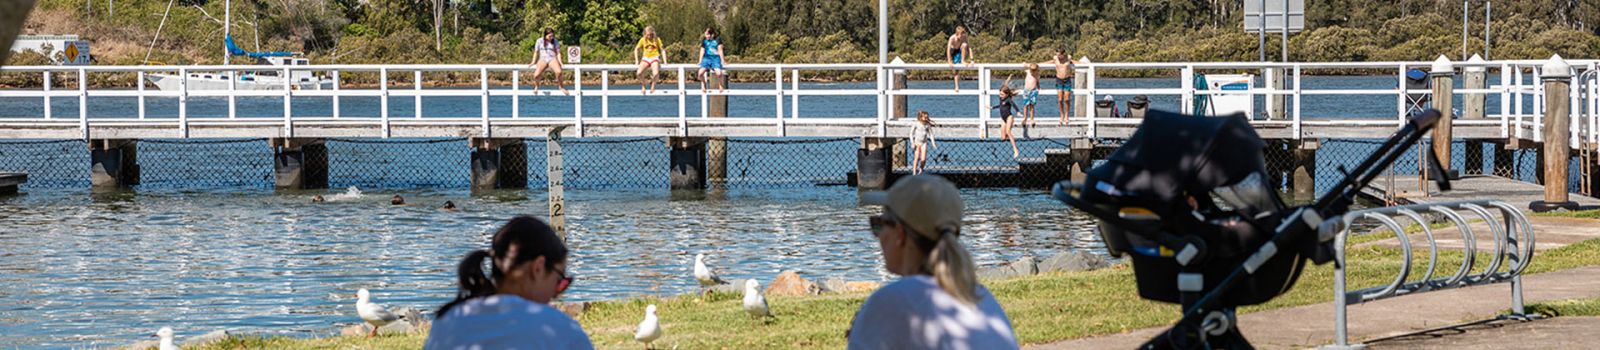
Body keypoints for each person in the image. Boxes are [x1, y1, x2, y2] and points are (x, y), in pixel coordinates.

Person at [850, 174, 1019, 350]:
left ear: (900, 234)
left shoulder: (890, 302)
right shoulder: (980, 297)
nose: (877, 235)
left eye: (878, 224)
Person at [424, 216, 591, 349]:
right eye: (559, 281)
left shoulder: (448, 322)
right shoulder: (561, 331)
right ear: (538, 267)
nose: (556, 293)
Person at [527, 28, 569, 95]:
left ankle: (561, 87)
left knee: (559, 72)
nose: (551, 38)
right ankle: (536, 86)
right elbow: (536, 52)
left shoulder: (555, 41)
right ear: (545, 35)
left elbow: (558, 53)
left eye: (552, 36)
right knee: (536, 75)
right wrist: (533, 61)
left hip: (552, 58)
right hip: (543, 59)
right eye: (549, 36)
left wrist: (560, 62)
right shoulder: (539, 41)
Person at [990, 78, 1021, 159]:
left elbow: (1014, 105)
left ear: (1007, 94)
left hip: (1009, 117)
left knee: (1008, 132)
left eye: (1002, 94)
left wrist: (1018, 111)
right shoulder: (1001, 99)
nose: (1001, 96)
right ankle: (1010, 138)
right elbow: (1000, 106)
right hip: (1003, 118)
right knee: (1003, 138)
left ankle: (1016, 150)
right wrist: (992, 107)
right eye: (1000, 94)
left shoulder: (1008, 99)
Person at [1048, 49, 1078, 125]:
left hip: (1067, 79)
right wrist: (1038, 64)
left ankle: (1067, 115)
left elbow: (1073, 62)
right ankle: (1062, 115)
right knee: (1060, 99)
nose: (1058, 56)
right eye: (1057, 55)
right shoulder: (1055, 58)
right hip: (1059, 80)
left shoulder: (1068, 58)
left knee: (1067, 99)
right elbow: (1051, 62)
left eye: (1059, 55)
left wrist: (1084, 64)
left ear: (1063, 54)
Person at [635, 26, 667, 94]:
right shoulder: (642, 40)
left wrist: (665, 61)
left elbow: (662, 50)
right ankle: (643, 85)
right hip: (646, 57)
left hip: (655, 57)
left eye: (651, 34)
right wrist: (637, 60)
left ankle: (653, 85)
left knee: (655, 73)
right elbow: (636, 49)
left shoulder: (657, 39)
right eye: (648, 35)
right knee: (639, 73)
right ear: (645, 34)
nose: (649, 36)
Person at [697, 27, 727, 93]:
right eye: (706, 34)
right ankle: (704, 84)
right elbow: (702, 50)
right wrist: (700, 60)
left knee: (719, 73)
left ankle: (720, 85)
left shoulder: (717, 40)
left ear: (712, 35)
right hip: (706, 58)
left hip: (715, 58)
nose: (706, 36)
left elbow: (720, 50)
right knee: (700, 73)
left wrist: (723, 60)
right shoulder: (704, 40)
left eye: (708, 34)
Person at [911, 111, 938, 175]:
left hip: (924, 142)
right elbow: (911, 134)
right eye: (925, 117)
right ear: (920, 117)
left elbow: (931, 134)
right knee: (917, 158)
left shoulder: (927, 125)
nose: (926, 118)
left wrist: (933, 143)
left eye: (927, 117)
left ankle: (921, 171)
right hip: (917, 142)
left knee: (923, 159)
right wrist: (912, 143)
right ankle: (914, 172)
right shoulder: (916, 124)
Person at [946, 26, 972, 92]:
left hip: (960, 51)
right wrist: (949, 61)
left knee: (964, 45)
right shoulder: (952, 38)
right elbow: (948, 50)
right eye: (961, 35)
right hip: (953, 52)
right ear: (957, 34)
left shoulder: (964, 37)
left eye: (963, 34)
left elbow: (969, 48)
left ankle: (962, 60)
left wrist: (972, 59)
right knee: (956, 70)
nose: (962, 37)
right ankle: (956, 86)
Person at [1021, 63, 1041, 128]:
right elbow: (1024, 65)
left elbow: (1037, 82)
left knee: (1032, 106)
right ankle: (1025, 118)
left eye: (1034, 70)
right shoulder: (1028, 72)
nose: (1032, 72)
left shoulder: (1037, 75)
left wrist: (1039, 87)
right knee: (1025, 105)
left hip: (1033, 91)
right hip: (1026, 91)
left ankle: (1032, 119)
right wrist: (1028, 65)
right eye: (1032, 70)